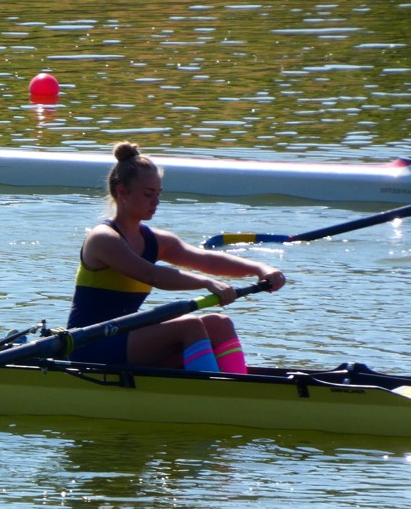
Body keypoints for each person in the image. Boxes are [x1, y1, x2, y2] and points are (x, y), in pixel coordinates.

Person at [66, 141, 285, 373]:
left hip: (126, 337)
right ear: (122, 192)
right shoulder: (103, 238)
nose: (156, 202)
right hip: (89, 343)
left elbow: (207, 260)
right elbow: (152, 275)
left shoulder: (157, 240)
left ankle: (237, 383)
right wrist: (206, 282)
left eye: (158, 194)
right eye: (148, 194)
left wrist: (260, 268)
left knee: (220, 323)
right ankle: (214, 389)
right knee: (190, 326)